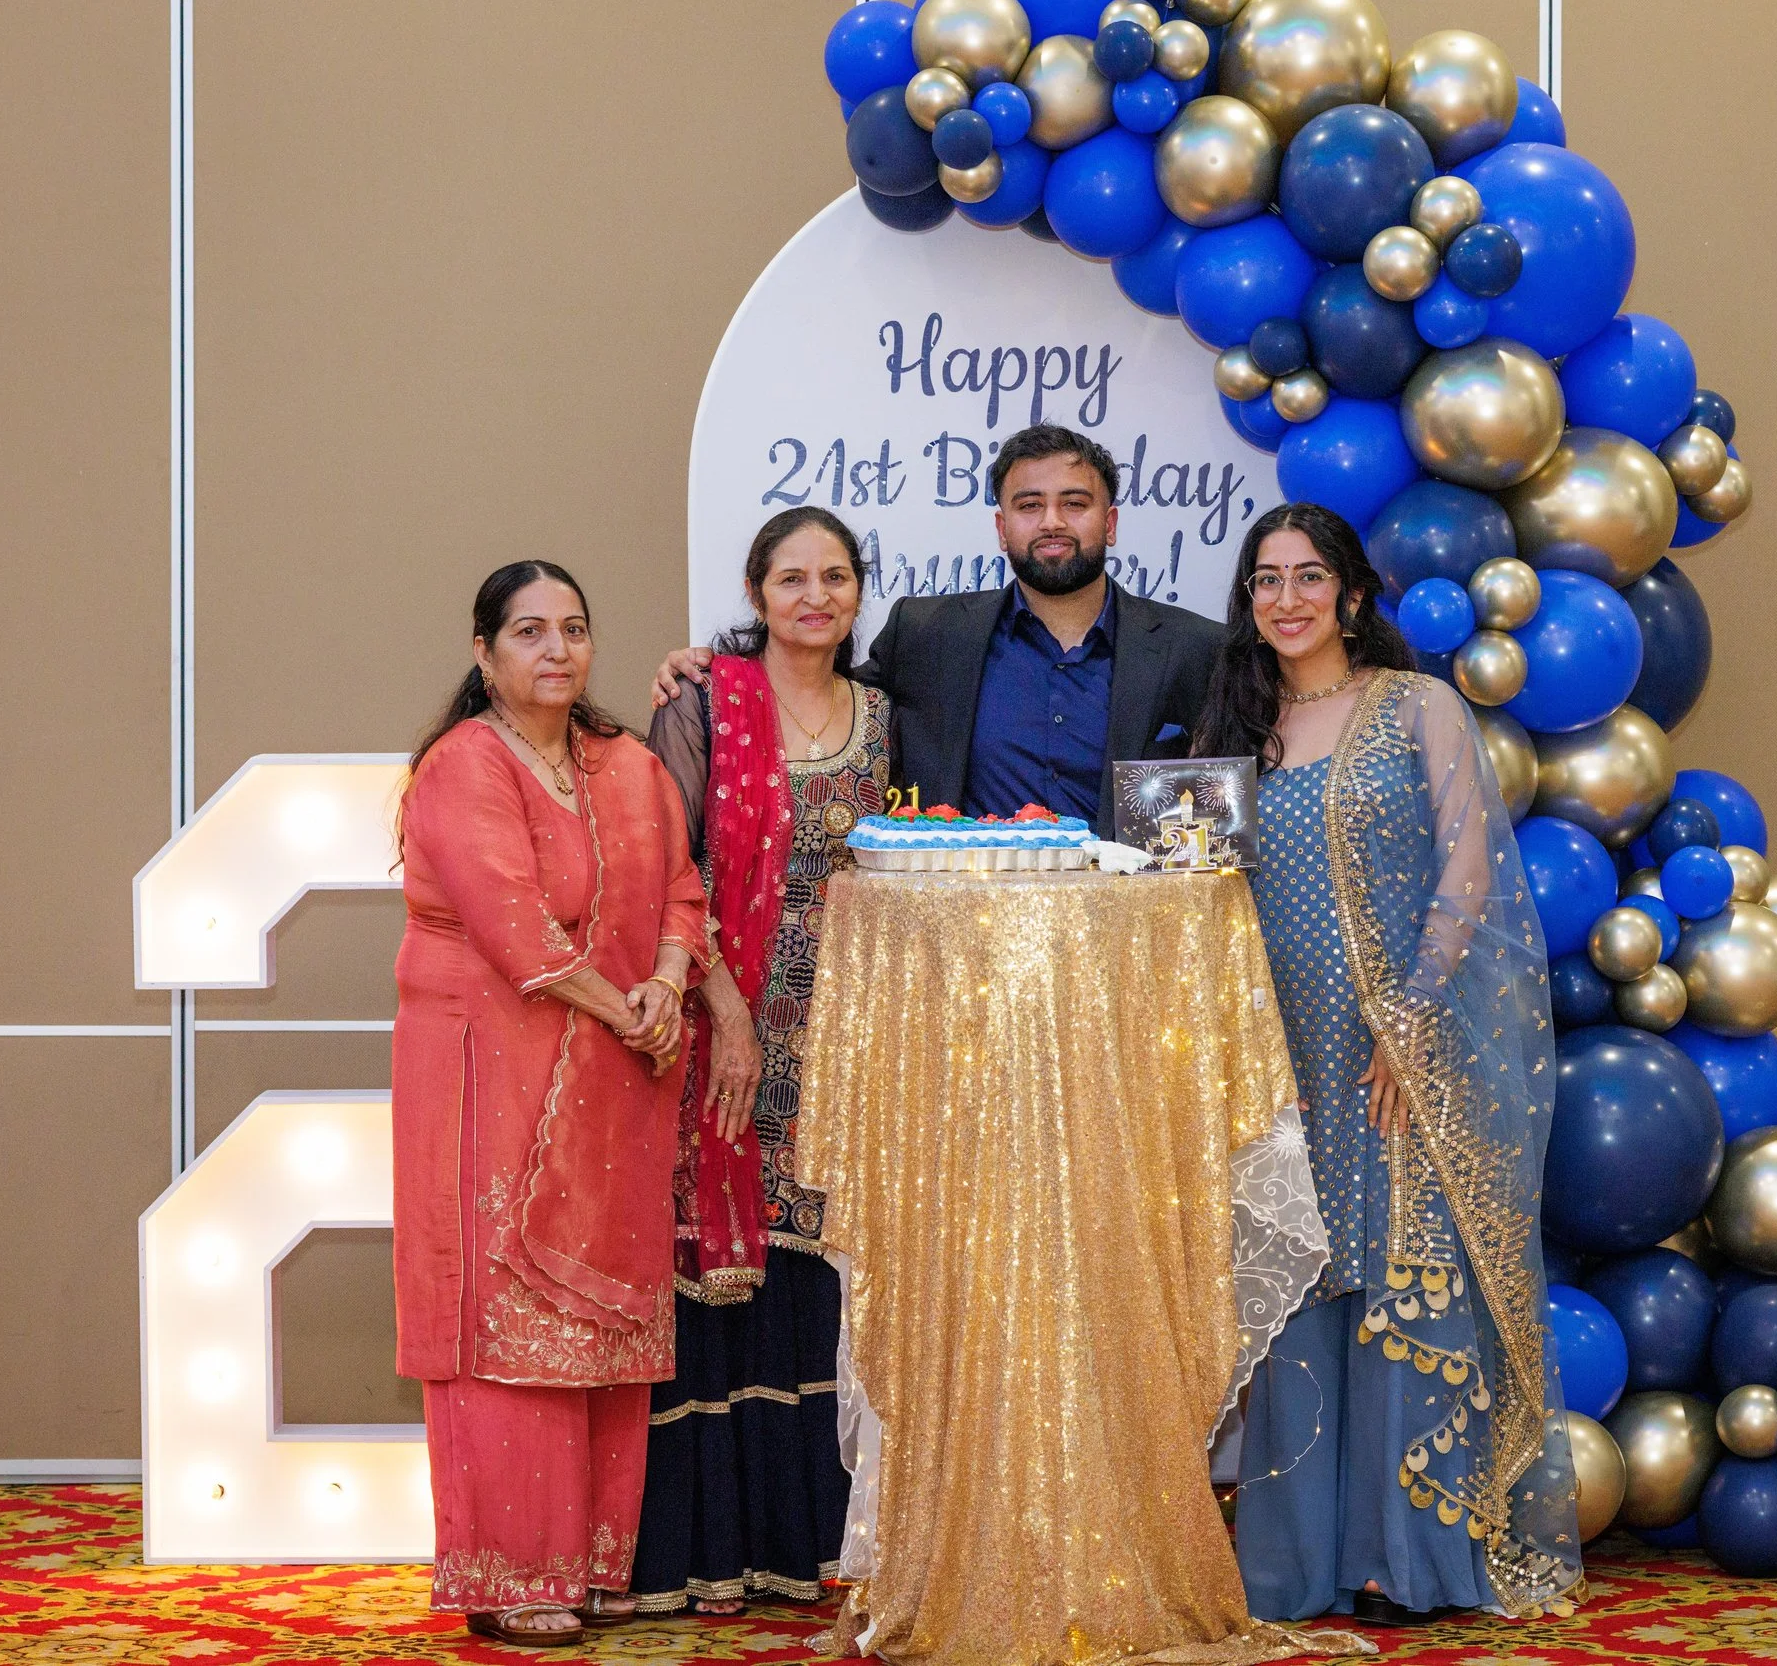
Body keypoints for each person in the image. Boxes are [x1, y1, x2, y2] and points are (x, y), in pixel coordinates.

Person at [1191, 504, 1583, 1625]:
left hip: (1395, 1042)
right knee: (1304, 1278)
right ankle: (1298, 1565)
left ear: (1353, 593)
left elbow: (1469, 863)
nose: (1286, 599)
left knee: (1401, 1267)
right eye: (1264, 581)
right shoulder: (1243, 730)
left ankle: (1408, 1561)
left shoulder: (1416, 705)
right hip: (1281, 1052)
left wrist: (1407, 1021)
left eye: (1309, 576)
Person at [392, 560, 709, 1649]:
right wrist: (631, 1006)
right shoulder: (460, 766)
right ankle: (511, 1568)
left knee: (601, 1320)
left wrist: (667, 986)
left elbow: (679, 890)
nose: (557, 650)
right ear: (484, 653)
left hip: (615, 1078)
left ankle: (588, 1561)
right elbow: (516, 927)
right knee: (505, 1321)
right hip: (489, 1072)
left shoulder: (622, 765)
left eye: (573, 628)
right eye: (528, 631)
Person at [628, 506, 887, 1614]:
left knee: (817, 1267)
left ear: (858, 594)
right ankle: (709, 1547)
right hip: (720, 1025)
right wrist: (722, 1003)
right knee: (718, 1280)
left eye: (834, 577)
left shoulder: (885, 715)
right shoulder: (704, 705)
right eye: (791, 577)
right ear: (755, 590)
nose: (814, 596)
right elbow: (661, 867)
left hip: (848, 1036)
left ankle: (810, 1540)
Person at [653, 423, 1217, 838]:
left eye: (1075, 504)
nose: (1051, 522)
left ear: (1111, 522)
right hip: (960, 943)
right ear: (1001, 528)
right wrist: (718, 671)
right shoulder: (926, 634)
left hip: (1125, 944)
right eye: (1029, 505)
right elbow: (817, 689)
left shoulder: (1192, 649)